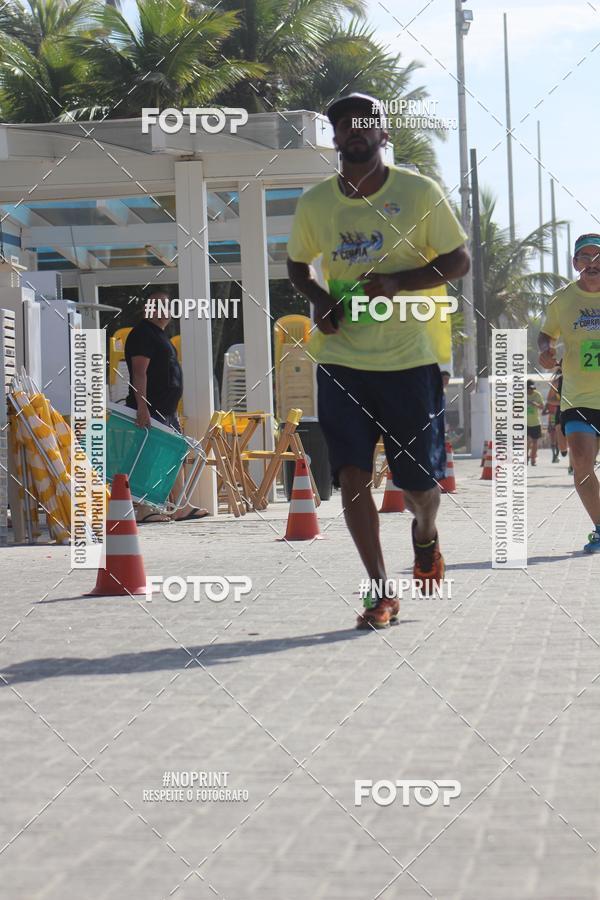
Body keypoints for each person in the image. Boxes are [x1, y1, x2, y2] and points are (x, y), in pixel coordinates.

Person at [286, 92, 470, 629]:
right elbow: (299, 266)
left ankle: (425, 535)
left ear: (383, 134)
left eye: (366, 123)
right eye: (344, 126)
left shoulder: (419, 193)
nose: (355, 132)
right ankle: (379, 591)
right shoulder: (317, 204)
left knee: (419, 488)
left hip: (411, 358)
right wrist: (320, 300)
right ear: (335, 139)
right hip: (342, 358)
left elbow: (457, 259)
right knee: (349, 474)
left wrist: (400, 281)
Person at [538, 233, 600, 552]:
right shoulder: (562, 300)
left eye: (597, 256)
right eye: (585, 257)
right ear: (576, 264)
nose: (592, 263)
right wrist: (545, 350)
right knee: (581, 463)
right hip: (578, 397)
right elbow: (546, 335)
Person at [125, 288, 209, 523]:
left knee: (175, 454)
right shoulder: (143, 334)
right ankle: (142, 508)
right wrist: (142, 408)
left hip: (166, 410)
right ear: (147, 309)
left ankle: (180, 506)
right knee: (147, 457)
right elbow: (139, 373)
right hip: (151, 409)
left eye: (167, 307)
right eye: (157, 306)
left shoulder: (160, 335)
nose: (163, 311)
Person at [526, 380, 544, 466]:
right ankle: (526, 457)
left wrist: (535, 404)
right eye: (529, 389)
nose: (531, 390)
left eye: (532, 388)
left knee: (535, 441)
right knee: (526, 441)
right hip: (525, 422)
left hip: (535, 422)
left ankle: (533, 459)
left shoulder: (537, 395)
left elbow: (542, 407)